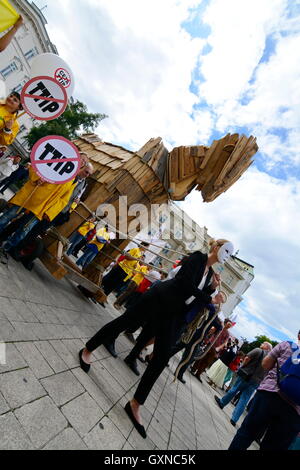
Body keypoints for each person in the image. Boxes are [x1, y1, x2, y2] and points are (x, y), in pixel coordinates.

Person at [78, 238, 234, 438]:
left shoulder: (211, 274)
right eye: (224, 249)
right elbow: (184, 283)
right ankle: (88, 349)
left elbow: (196, 295)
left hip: (174, 313)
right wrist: (209, 297)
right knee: (124, 321)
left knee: (161, 359)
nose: (226, 255)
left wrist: (212, 289)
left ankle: (135, 404)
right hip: (160, 298)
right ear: (215, 246)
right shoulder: (197, 258)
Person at [0, 156, 92, 256]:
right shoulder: (57, 161)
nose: (82, 161)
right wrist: (37, 178)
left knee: (24, 230)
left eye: (84, 161)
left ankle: (6, 247)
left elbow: (63, 200)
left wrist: (50, 212)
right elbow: (36, 167)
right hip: (30, 197)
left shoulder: (73, 180)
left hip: (41, 208)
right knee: (7, 217)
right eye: (81, 158)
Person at [228, 337, 300, 450]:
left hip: (269, 394)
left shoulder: (286, 345)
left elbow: (266, 364)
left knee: (247, 433)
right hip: (294, 412)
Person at [214, 342, 273, 426]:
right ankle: (234, 419)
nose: (261, 344)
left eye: (263, 343)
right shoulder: (270, 360)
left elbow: (246, 358)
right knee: (244, 399)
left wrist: (242, 367)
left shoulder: (258, 350)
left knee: (234, 389)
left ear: (266, 347)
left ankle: (222, 402)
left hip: (246, 375)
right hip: (257, 381)